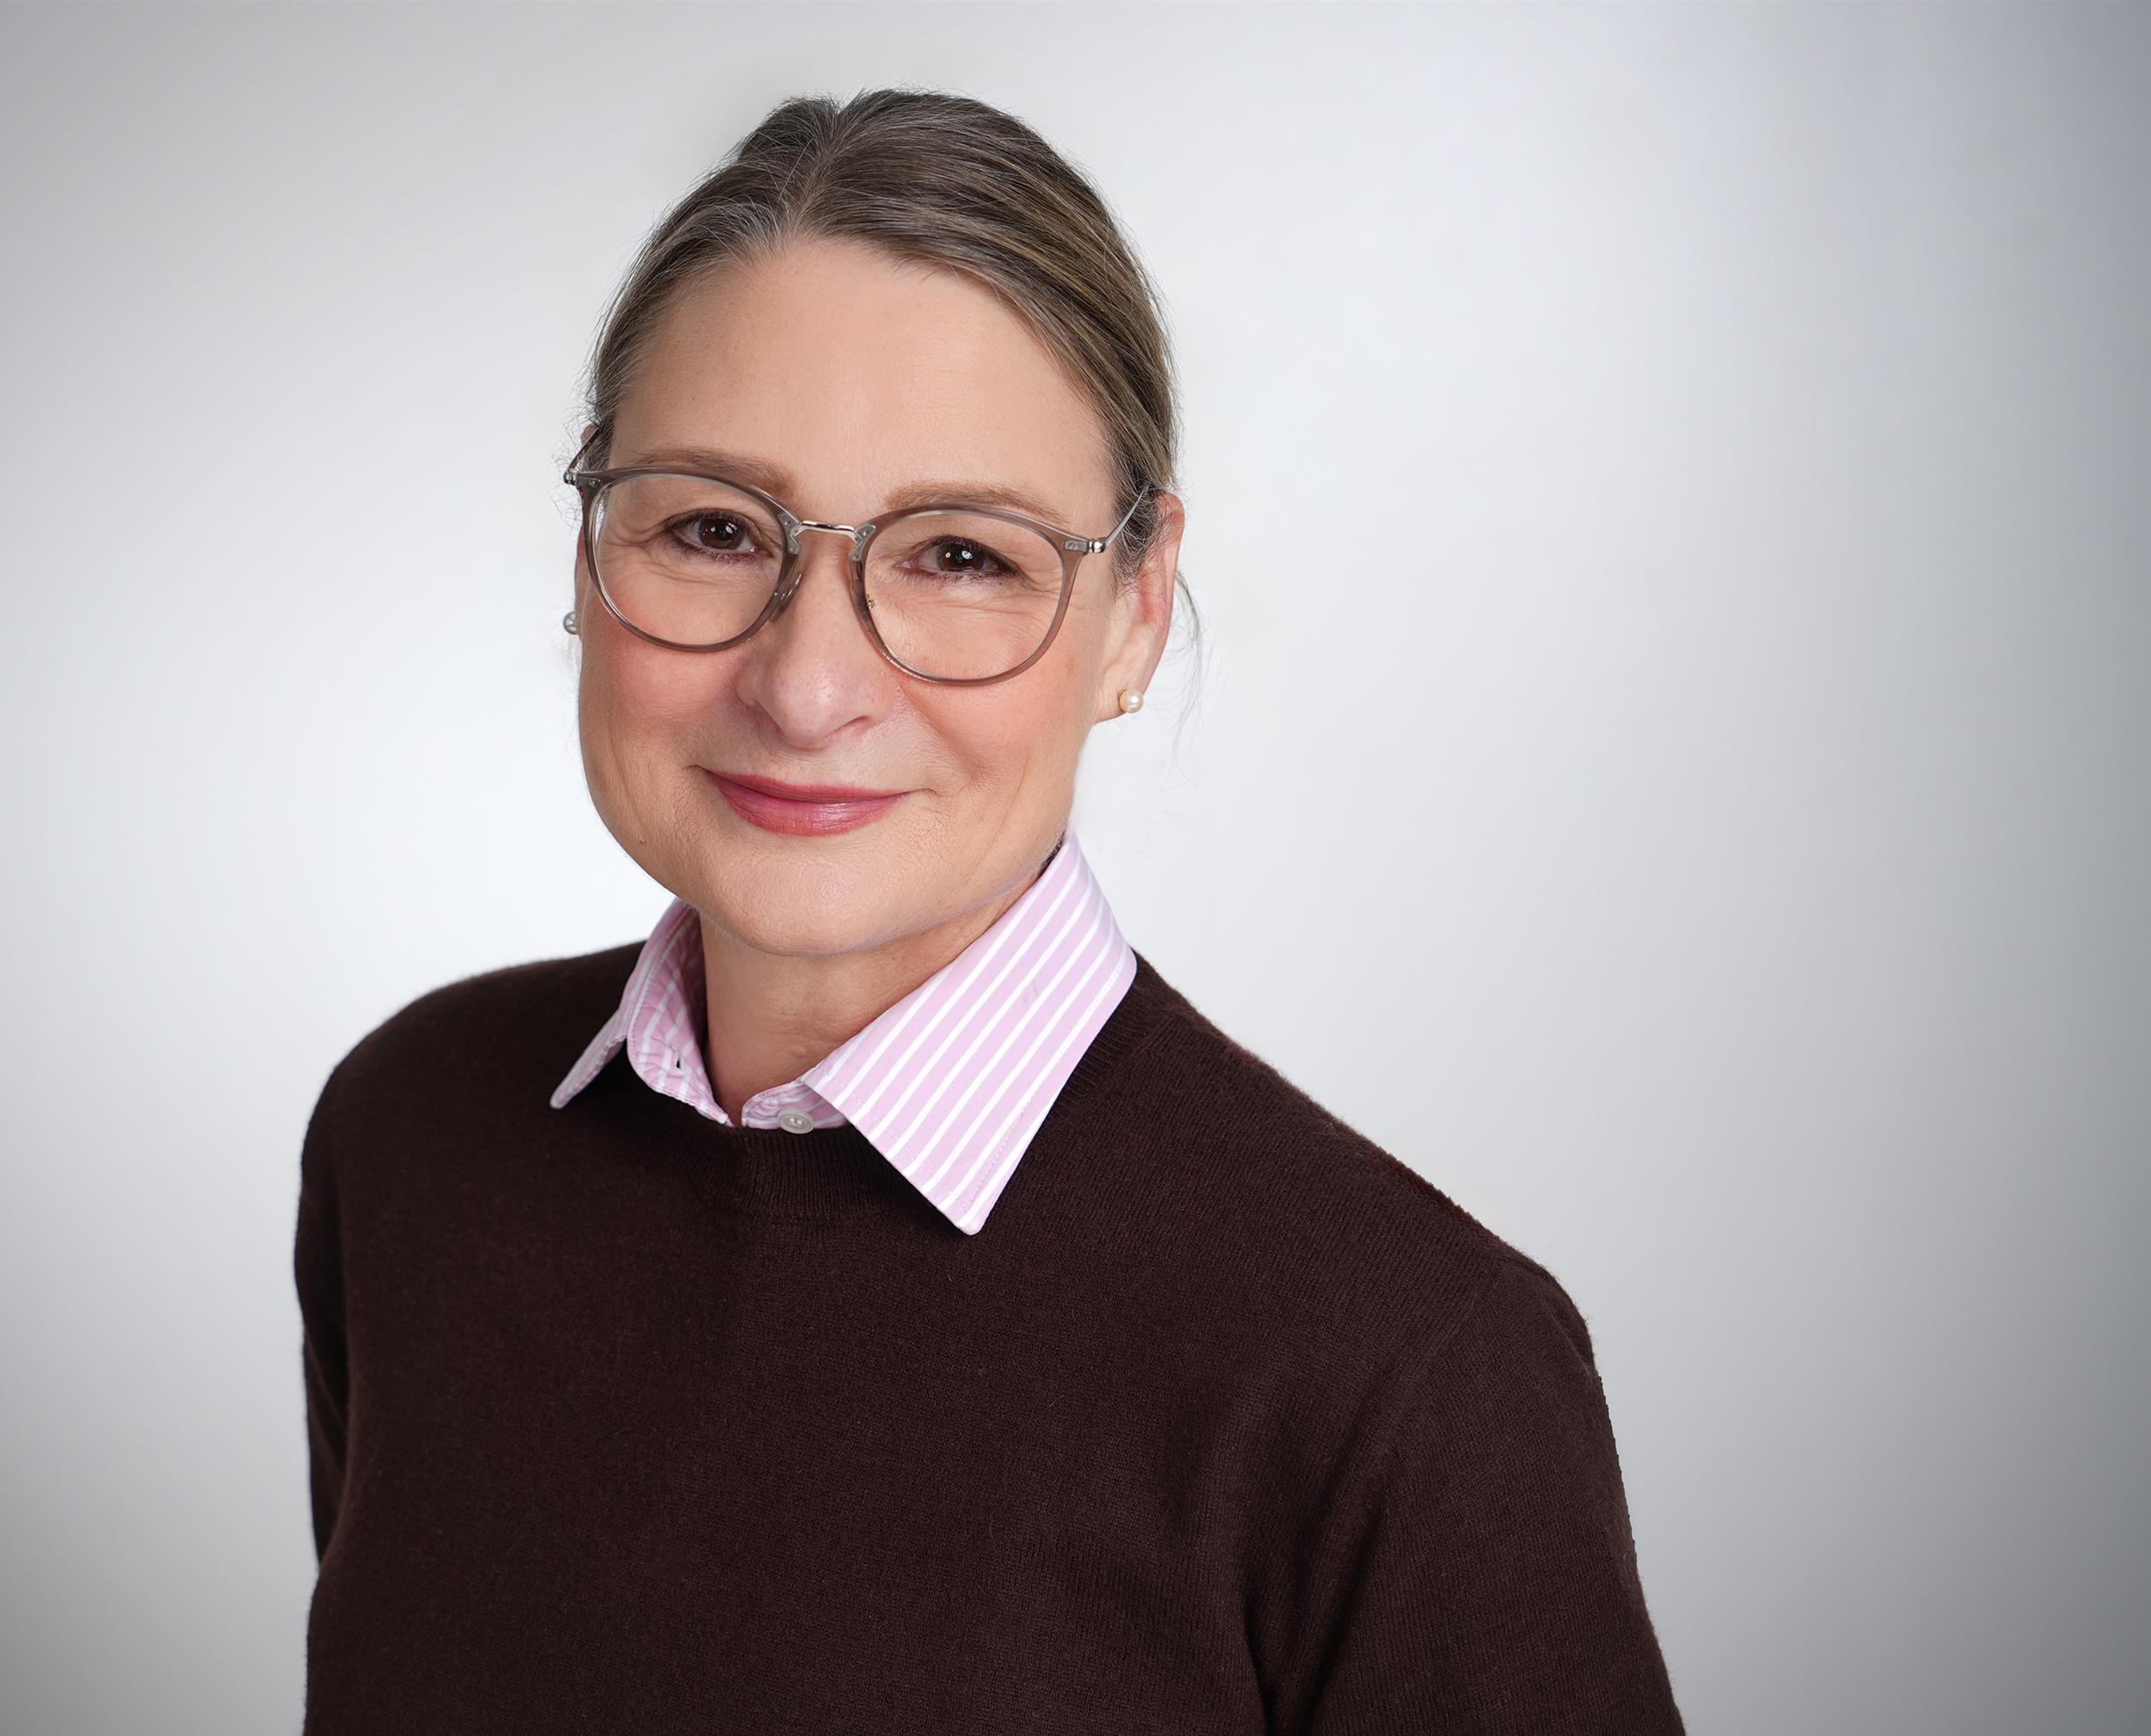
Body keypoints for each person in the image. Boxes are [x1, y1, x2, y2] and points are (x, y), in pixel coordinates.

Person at [293, 88, 1685, 1734]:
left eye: (961, 556)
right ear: (589, 554)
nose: (808, 687)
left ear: (1135, 613)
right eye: (713, 530)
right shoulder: (413, 1138)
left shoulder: (1407, 1374)